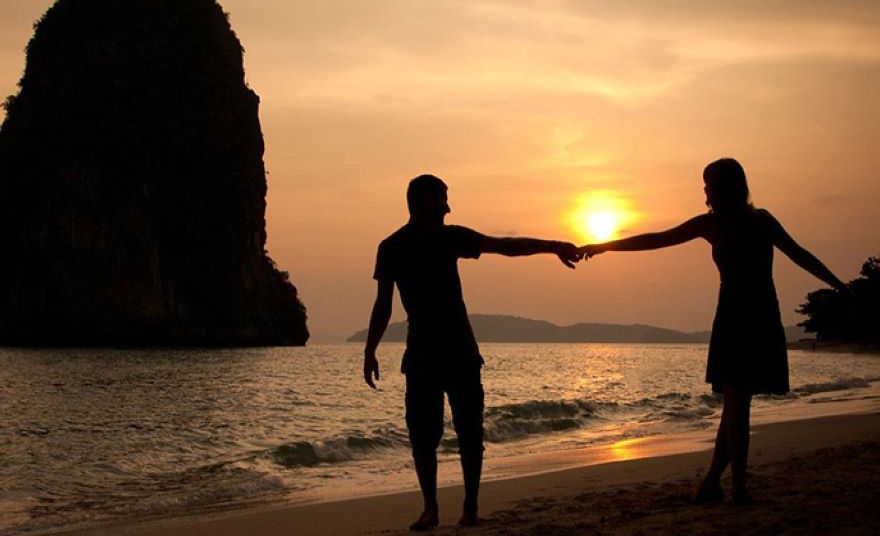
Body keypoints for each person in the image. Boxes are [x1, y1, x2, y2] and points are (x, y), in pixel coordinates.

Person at [579, 158, 852, 505]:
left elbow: (800, 255)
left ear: (724, 188)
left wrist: (840, 285)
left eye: (708, 185)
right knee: (736, 404)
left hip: (744, 317)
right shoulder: (725, 223)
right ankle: (713, 483)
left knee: (737, 405)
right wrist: (604, 245)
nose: (705, 192)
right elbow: (655, 240)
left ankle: (737, 488)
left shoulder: (746, 221)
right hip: (751, 314)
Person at [363, 174, 580, 531]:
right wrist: (370, 350)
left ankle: (470, 508)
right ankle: (431, 508)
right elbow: (383, 304)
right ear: (424, 201)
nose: (448, 207)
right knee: (423, 435)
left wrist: (553, 246)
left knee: (469, 431)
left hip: (459, 349)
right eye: (442, 200)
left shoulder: (450, 238)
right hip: (423, 354)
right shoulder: (392, 247)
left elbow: (506, 246)